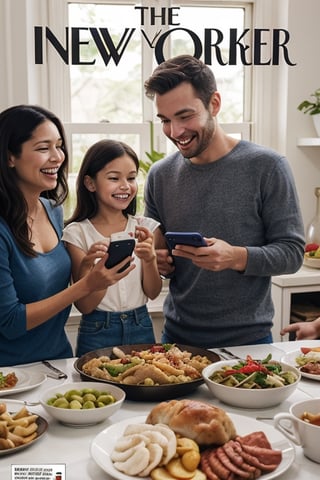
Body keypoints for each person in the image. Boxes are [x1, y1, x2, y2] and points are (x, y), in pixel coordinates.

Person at [143, 54, 305, 349]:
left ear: (214, 104)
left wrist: (235, 256)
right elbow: (158, 255)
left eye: (185, 116)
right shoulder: (159, 175)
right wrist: (160, 261)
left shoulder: (267, 166)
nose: (175, 132)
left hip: (249, 344)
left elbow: (293, 253)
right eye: (165, 120)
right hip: (175, 343)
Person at [0, 105, 137, 367]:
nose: (57, 157)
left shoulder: (53, 211)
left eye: (59, 146)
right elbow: (10, 322)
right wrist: (85, 286)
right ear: (9, 157)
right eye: (43, 148)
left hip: (59, 364)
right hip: (10, 376)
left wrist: (86, 271)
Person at [62, 139, 162, 356]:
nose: (125, 185)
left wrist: (150, 259)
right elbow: (85, 306)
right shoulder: (77, 233)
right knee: (97, 388)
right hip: (97, 329)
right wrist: (96, 271)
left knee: (145, 385)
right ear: (90, 183)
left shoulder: (145, 227)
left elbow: (153, 293)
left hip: (141, 324)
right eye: (114, 178)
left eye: (132, 177)